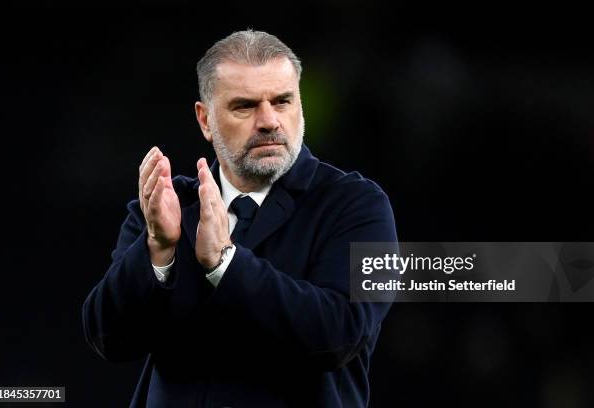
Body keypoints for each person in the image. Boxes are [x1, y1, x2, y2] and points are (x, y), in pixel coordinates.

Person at [82, 29, 398, 408]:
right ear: (205, 120)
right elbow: (109, 339)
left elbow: (340, 333)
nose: (269, 121)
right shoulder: (166, 207)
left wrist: (224, 264)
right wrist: (159, 250)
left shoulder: (356, 205)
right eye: (245, 106)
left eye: (282, 101)